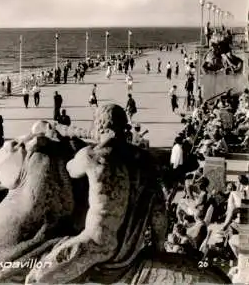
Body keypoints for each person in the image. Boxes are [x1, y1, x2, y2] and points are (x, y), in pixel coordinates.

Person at [25, 104, 168, 283]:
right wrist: (158, 247)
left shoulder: (92, 156)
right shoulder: (147, 161)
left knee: (35, 279)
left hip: (97, 243)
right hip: (131, 248)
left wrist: (70, 139)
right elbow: (159, 214)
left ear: (99, 126)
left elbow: (70, 169)